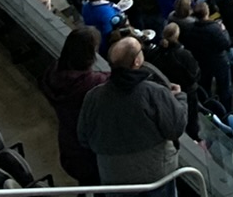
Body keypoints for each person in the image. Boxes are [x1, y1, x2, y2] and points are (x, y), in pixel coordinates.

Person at [77, 35, 187, 190]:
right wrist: (180, 98)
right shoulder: (154, 92)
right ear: (137, 61)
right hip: (156, 178)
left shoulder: (93, 97)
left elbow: (83, 137)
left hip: (113, 179)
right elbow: (176, 128)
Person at [42, 27, 110, 183]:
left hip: (69, 146)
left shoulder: (53, 72)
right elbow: (115, 80)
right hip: (89, 154)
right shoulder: (92, 84)